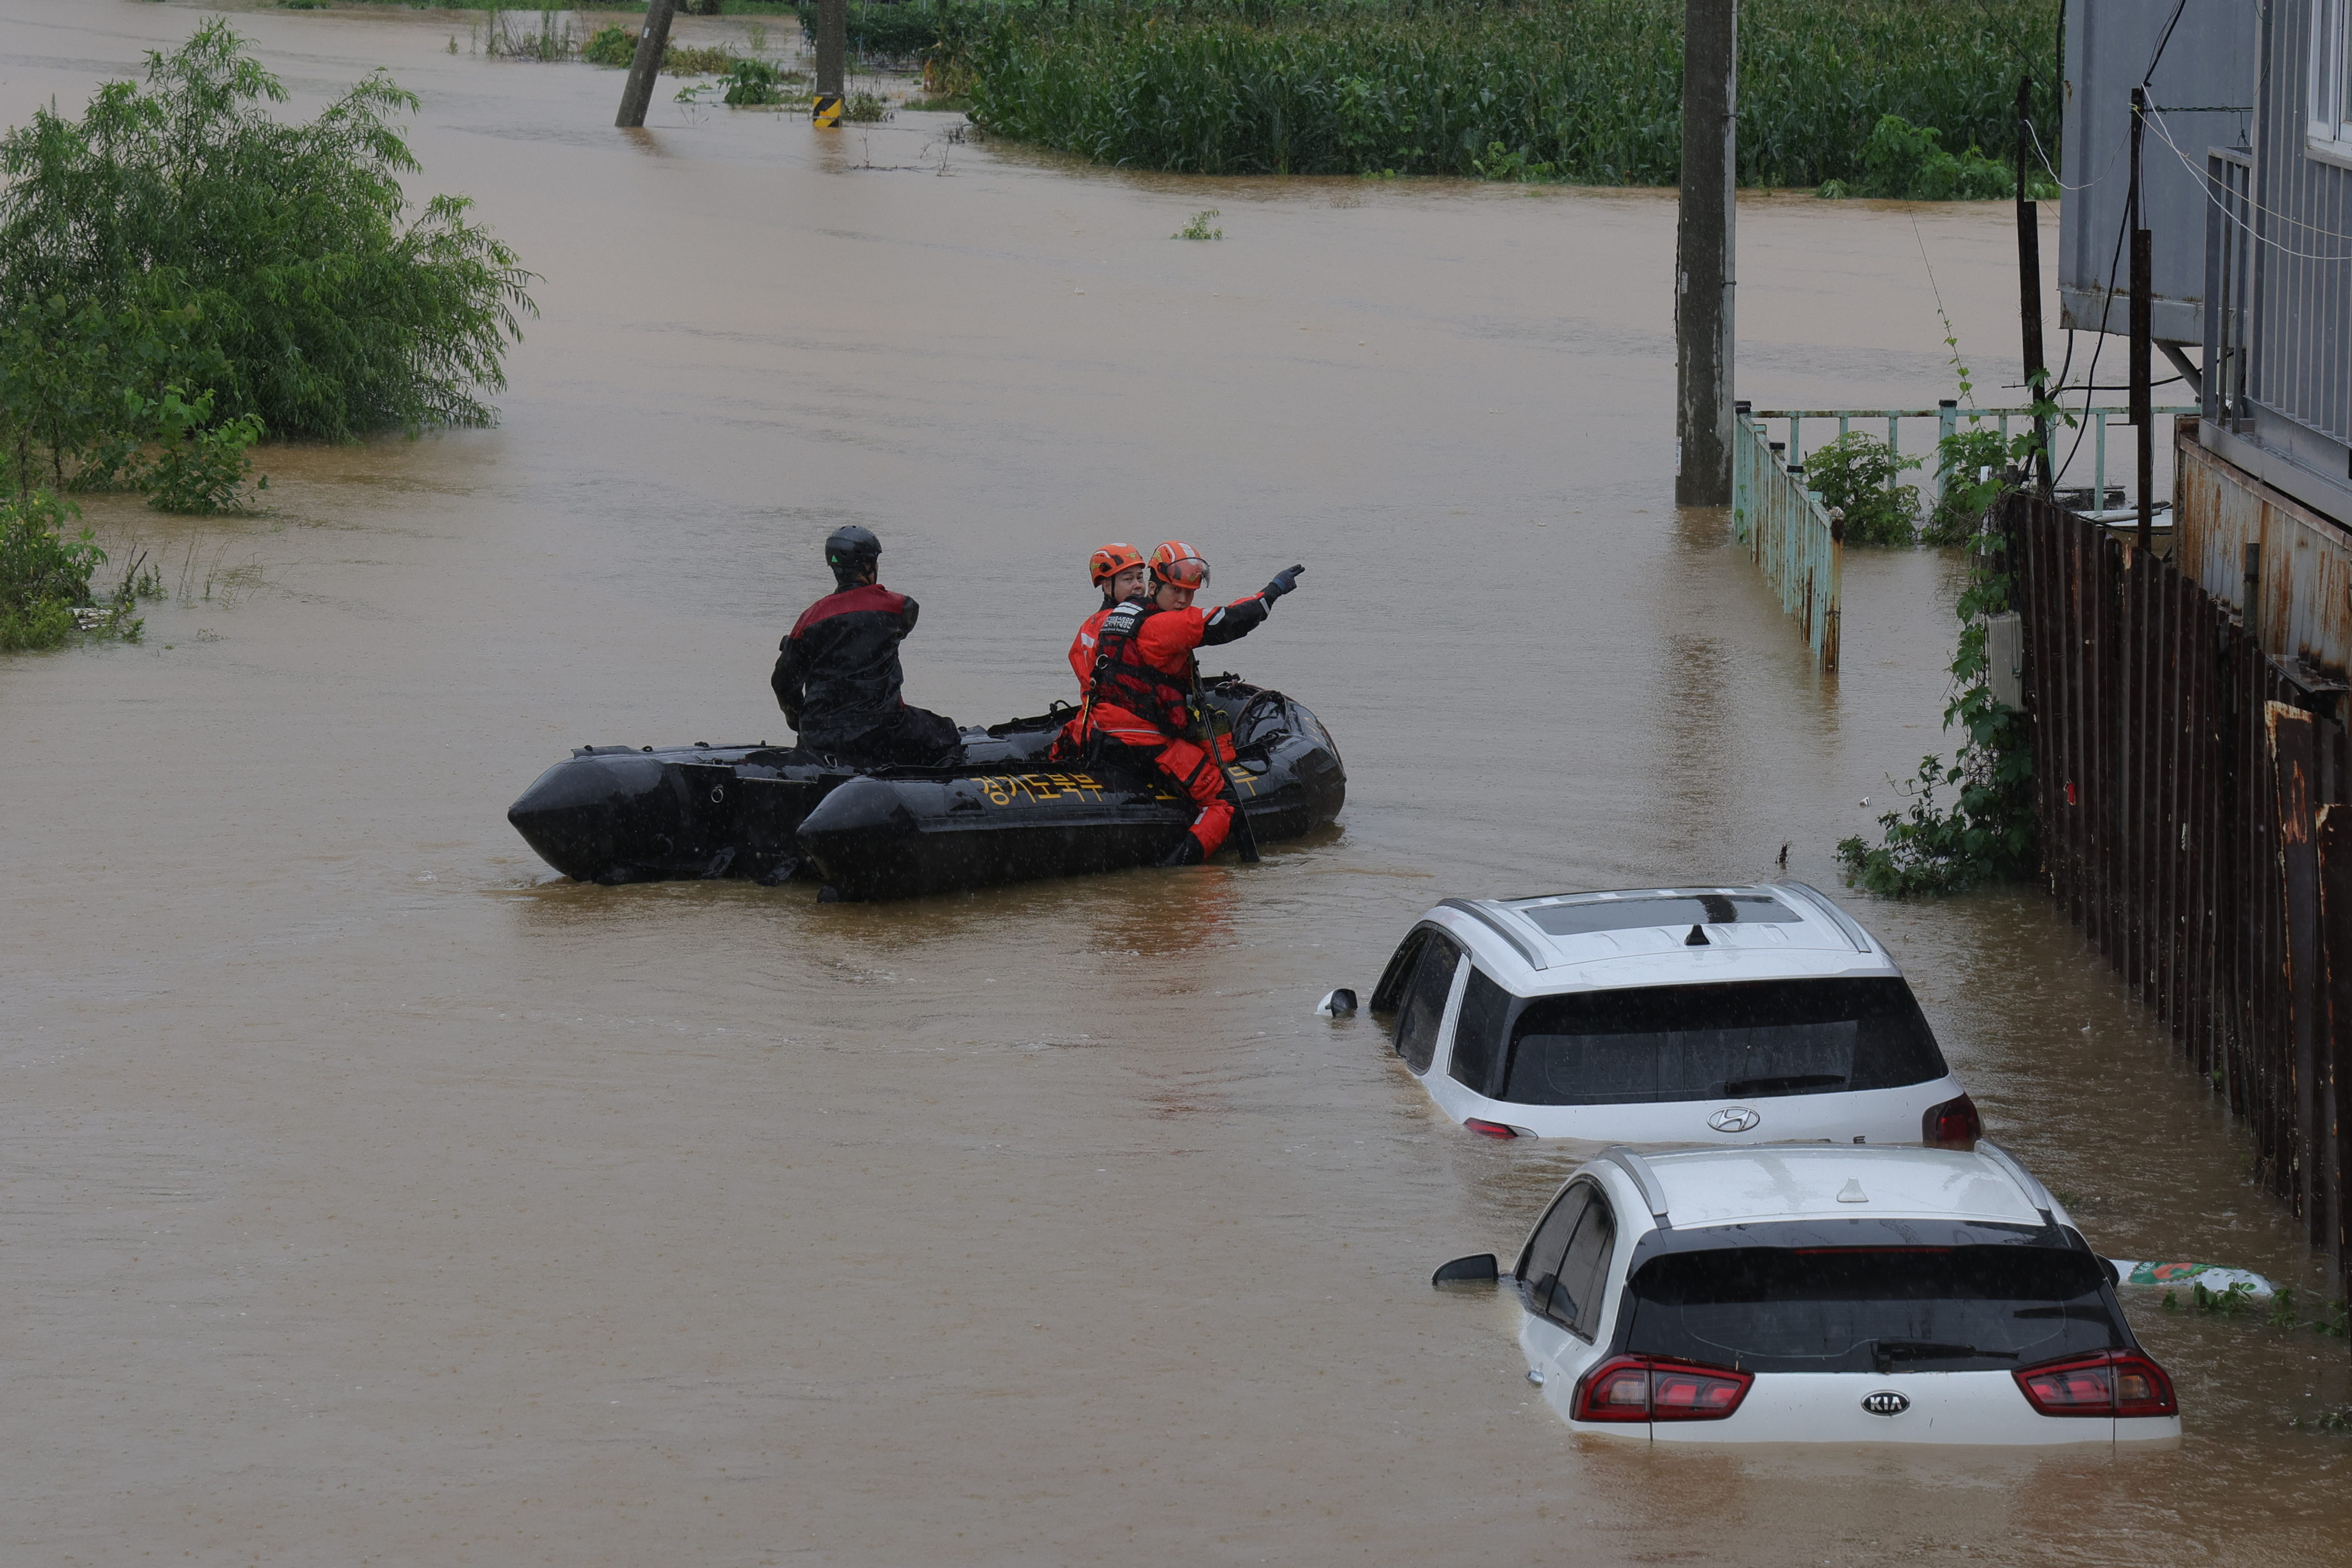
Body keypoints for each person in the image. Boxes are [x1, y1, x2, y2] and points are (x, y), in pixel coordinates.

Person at [1078, 540, 1305, 865]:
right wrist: (1272, 592)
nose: (1183, 600)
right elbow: (1227, 621)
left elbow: (1089, 682)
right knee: (1221, 803)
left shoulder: (1103, 624)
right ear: (1156, 586)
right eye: (1176, 591)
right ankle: (1174, 875)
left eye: (1189, 592)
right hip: (1143, 741)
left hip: (1103, 732)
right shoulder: (1161, 625)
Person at [771, 526, 961, 766]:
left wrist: (798, 720)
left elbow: (783, 682)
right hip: (881, 729)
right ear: (868, 566)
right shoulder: (899, 607)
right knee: (946, 733)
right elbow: (904, 620)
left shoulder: (809, 619)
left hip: (820, 735)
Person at [1068, 542, 1148, 698]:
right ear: (1106, 586)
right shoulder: (1124, 624)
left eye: (1140, 578)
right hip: (1122, 710)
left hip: (1099, 710)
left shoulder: (1090, 625)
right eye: (1128, 579)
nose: (1137, 586)